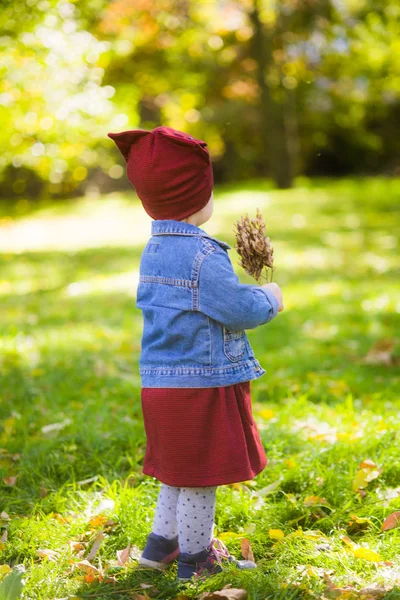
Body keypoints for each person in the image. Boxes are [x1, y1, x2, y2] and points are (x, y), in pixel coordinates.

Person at [108, 126, 284, 581]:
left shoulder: (155, 249)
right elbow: (234, 309)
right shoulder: (203, 254)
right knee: (201, 477)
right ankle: (196, 560)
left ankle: (160, 545)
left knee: (177, 472)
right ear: (195, 197)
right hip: (198, 384)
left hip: (160, 384)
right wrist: (269, 298)